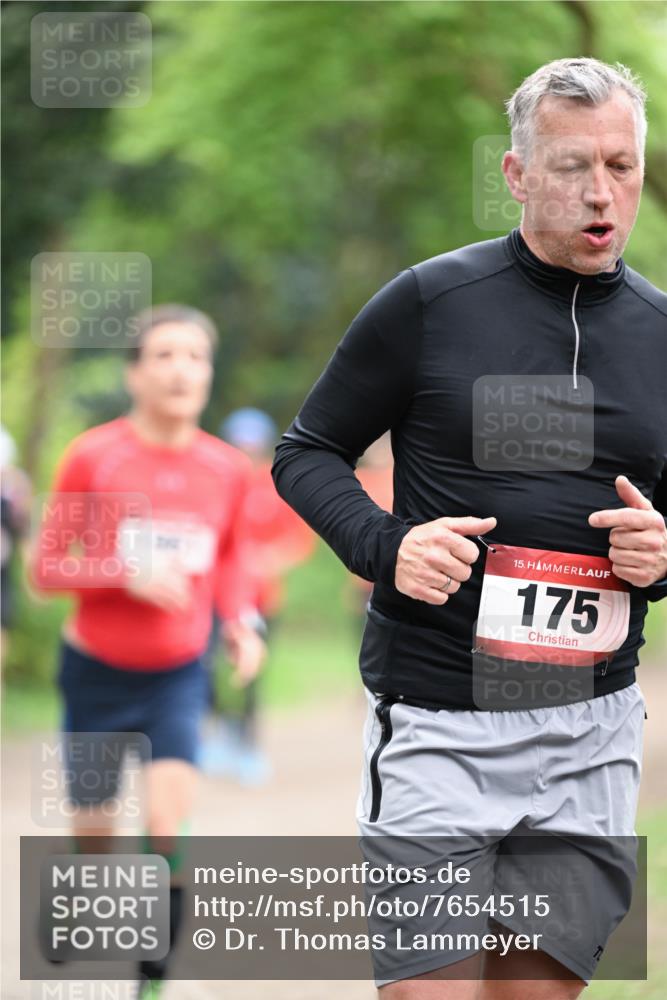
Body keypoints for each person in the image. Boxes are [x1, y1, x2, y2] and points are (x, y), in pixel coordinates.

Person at [272, 58, 667, 999]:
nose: (600, 192)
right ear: (517, 173)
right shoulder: (429, 303)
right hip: (440, 721)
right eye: (571, 166)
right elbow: (306, 451)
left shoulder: (661, 333)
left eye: (621, 165)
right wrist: (385, 546)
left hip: (590, 735)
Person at [29, 304, 266, 997]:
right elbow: (46, 570)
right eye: (163, 355)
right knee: (97, 834)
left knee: (165, 827)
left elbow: (231, 558)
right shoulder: (94, 456)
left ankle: (150, 981)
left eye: (195, 357)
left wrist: (240, 622)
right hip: (96, 671)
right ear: (134, 373)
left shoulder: (225, 469)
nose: (180, 370)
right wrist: (122, 573)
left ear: (208, 374)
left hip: (177, 675)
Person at [201, 407, 314, 783]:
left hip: (263, 598)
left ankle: (248, 746)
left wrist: (266, 559)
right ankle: (217, 734)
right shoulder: (213, 479)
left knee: (251, 674)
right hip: (214, 596)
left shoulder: (275, 482)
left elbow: (298, 538)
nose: (245, 453)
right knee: (207, 666)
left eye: (252, 446)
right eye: (239, 445)